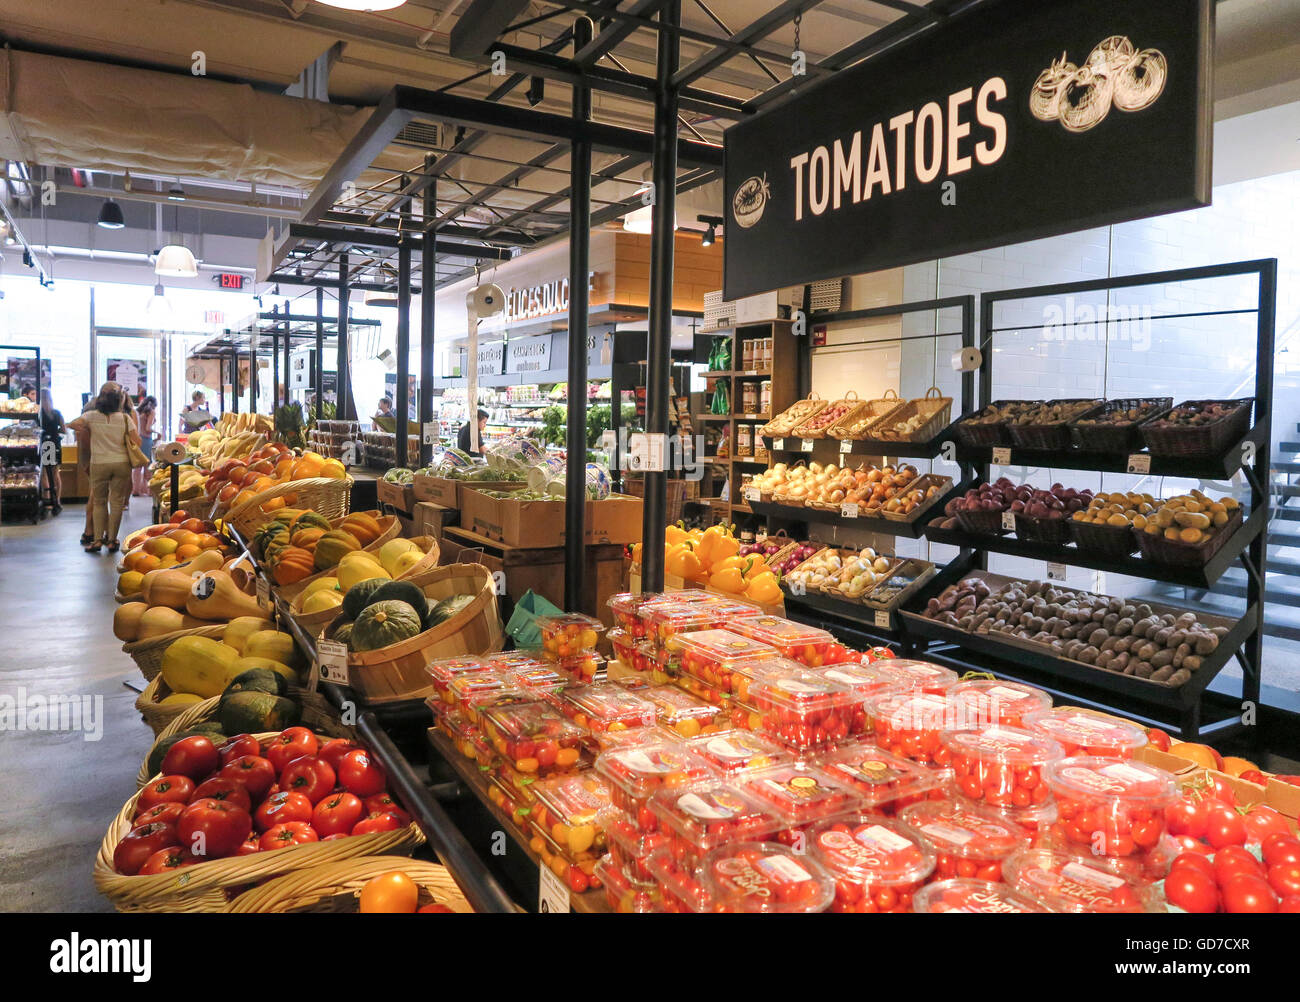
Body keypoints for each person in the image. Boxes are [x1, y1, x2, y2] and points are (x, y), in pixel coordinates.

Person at [70, 382, 141, 554]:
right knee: (116, 502)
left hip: (99, 463)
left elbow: (71, 424)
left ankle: (96, 541)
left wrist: (90, 428)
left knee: (99, 502)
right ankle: (112, 540)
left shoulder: (91, 416)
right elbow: (137, 441)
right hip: (121, 463)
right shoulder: (125, 418)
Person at [39, 389, 66, 515]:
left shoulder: (39, 414)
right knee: (56, 473)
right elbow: (64, 430)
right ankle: (58, 500)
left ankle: (48, 499)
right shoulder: (56, 413)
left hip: (45, 445)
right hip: (55, 444)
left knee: (44, 473)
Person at [133, 396, 157, 496]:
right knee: (148, 466)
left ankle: (136, 490)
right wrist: (157, 432)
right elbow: (148, 428)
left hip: (138, 439)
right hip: (146, 440)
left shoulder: (138, 411)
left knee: (137, 467)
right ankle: (148, 490)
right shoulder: (151, 412)